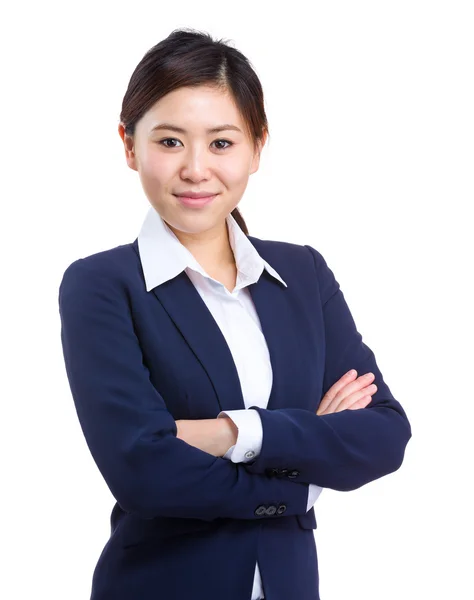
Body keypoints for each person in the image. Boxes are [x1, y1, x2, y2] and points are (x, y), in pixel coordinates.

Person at [58, 28, 412, 600]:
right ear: (129, 145)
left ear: (257, 145)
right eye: (170, 142)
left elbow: (383, 436)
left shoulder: (303, 275)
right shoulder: (101, 285)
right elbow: (142, 470)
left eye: (222, 143)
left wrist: (232, 432)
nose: (197, 169)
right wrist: (303, 470)